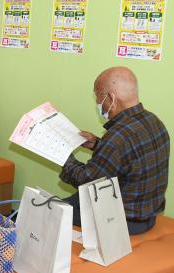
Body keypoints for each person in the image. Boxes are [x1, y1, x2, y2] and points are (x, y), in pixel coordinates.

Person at [60, 66, 169, 235]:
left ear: (110, 97)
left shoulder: (118, 136)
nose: (97, 102)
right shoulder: (154, 121)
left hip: (121, 222)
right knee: (67, 201)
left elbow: (86, 182)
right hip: (148, 215)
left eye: (98, 95)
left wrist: (62, 155)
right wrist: (97, 144)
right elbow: (130, 157)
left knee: (51, 209)